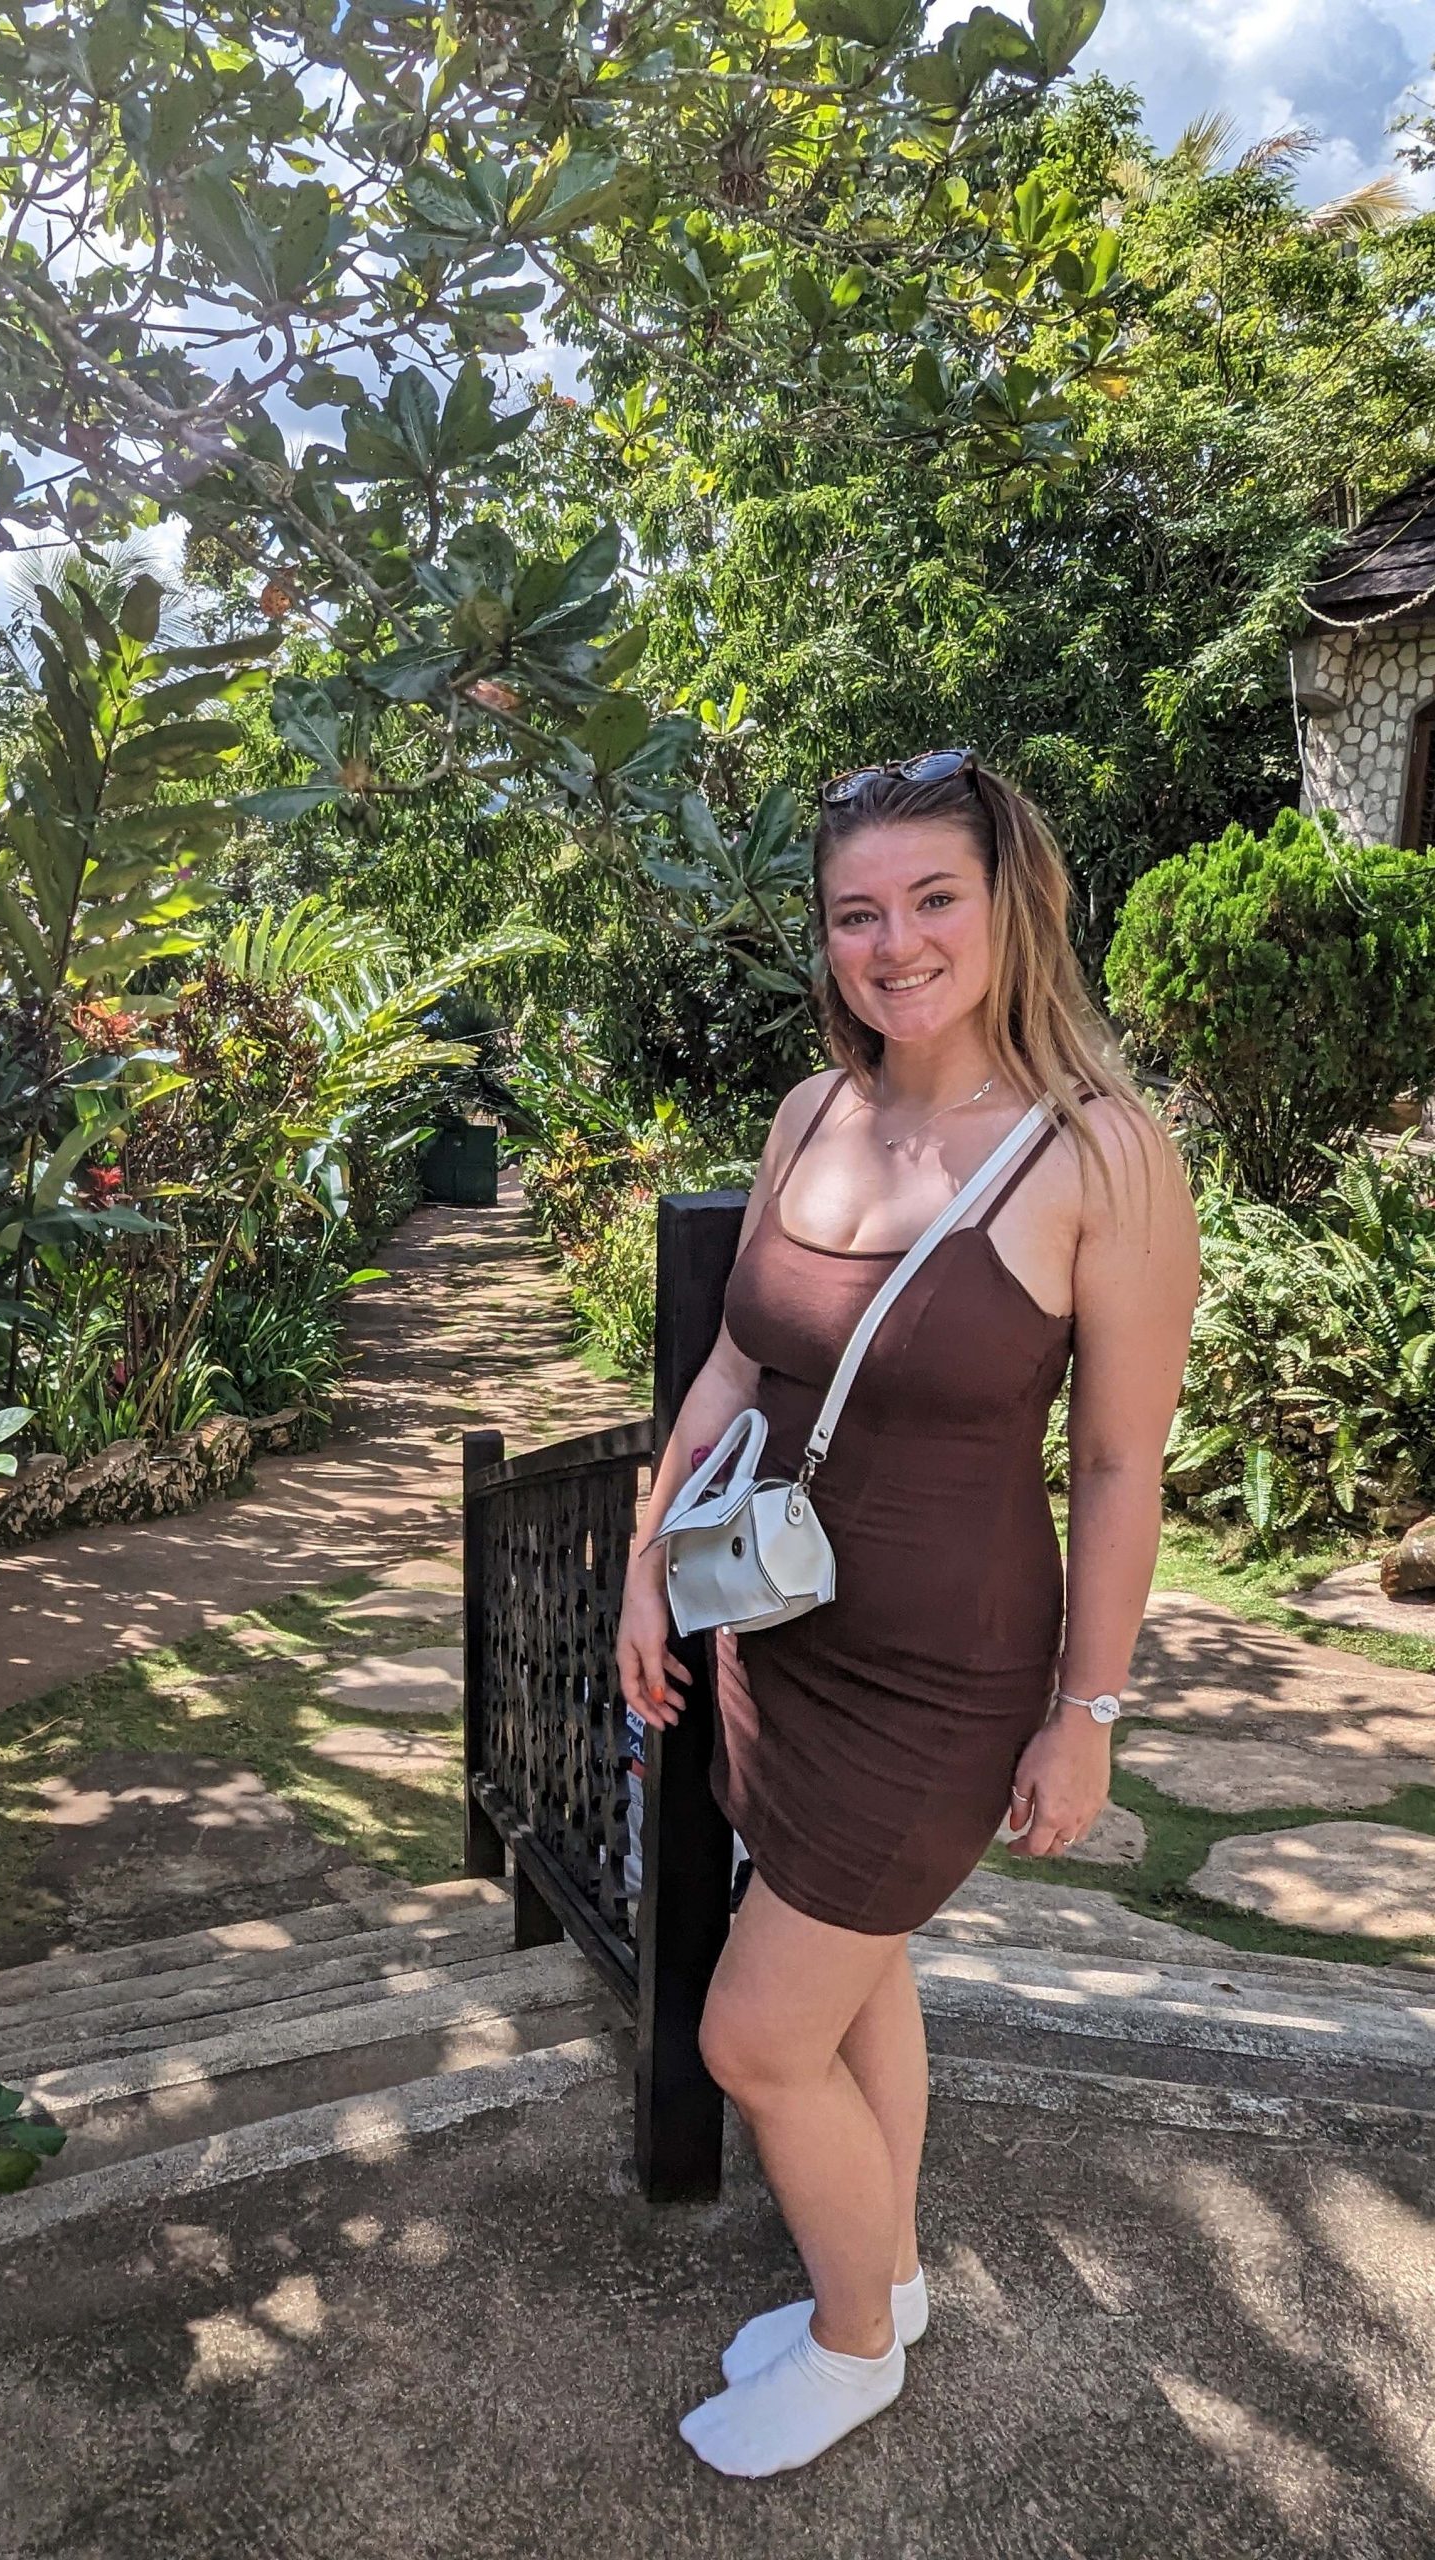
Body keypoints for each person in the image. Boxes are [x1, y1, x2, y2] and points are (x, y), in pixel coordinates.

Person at [614, 750, 1200, 2480]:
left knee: (753, 2036)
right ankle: (889, 2274)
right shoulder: (813, 1111)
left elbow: (1119, 1465)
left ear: (1013, 906)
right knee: (856, 1981)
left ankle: (853, 2344)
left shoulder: (1100, 1154)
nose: (896, 943)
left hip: (943, 1684)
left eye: (935, 898)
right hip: (774, 1644)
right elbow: (738, 1367)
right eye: (856, 912)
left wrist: (1088, 1715)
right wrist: (648, 1559)